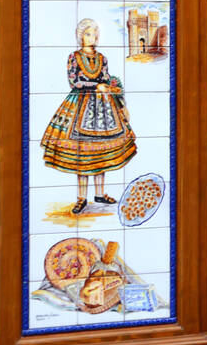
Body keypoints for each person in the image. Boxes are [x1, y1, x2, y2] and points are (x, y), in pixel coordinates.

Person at [41, 19, 137, 215]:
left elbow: (106, 77)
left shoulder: (102, 57)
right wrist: (96, 86)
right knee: (82, 154)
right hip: (80, 107)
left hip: (103, 107)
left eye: (95, 34)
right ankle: (81, 198)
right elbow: (74, 82)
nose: (94, 37)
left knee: (98, 153)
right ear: (81, 36)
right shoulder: (74, 57)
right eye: (89, 34)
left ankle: (100, 194)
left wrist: (112, 89)